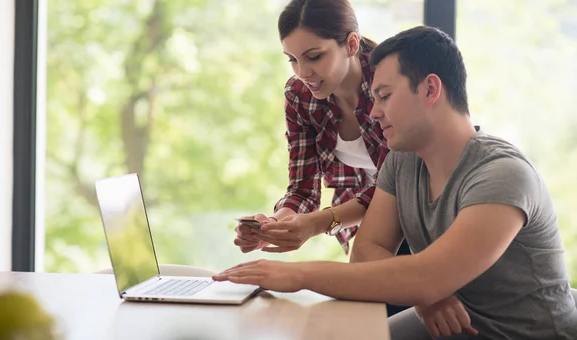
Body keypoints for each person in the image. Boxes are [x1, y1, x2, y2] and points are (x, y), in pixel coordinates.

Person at [219, 26, 577, 339]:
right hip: (451, 326)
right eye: (373, 98)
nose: (373, 113)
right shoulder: (401, 162)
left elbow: (429, 277)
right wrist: (426, 295)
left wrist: (295, 276)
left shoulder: (502, 174)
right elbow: (366, 253)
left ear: (430, 89)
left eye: (385, 96)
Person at [233, 0, 411, 315]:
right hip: (372, 233)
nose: (303, 73)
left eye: (314, 57)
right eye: (293, 60)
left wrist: (316, 224)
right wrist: (278, 224)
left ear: (351, 44)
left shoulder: (388, 84)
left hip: (419, 221)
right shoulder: (300, 95)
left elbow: (394, 185)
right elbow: (302, 186)